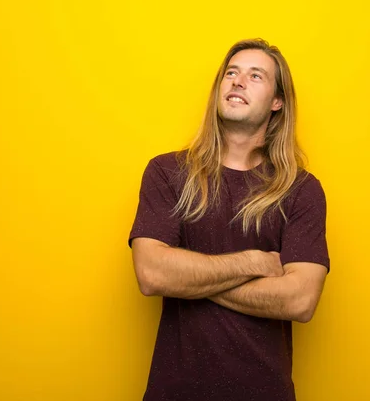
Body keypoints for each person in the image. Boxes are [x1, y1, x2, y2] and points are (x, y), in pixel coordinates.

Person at [128, 38, 330, 401]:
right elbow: (152, 274)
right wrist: (253, 262)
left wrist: (190, 280)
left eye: (256, 76)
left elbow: (300, 300)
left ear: (277, 102)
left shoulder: (301, 190)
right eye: (232, 73)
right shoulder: (167, 172)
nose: (238, 81)